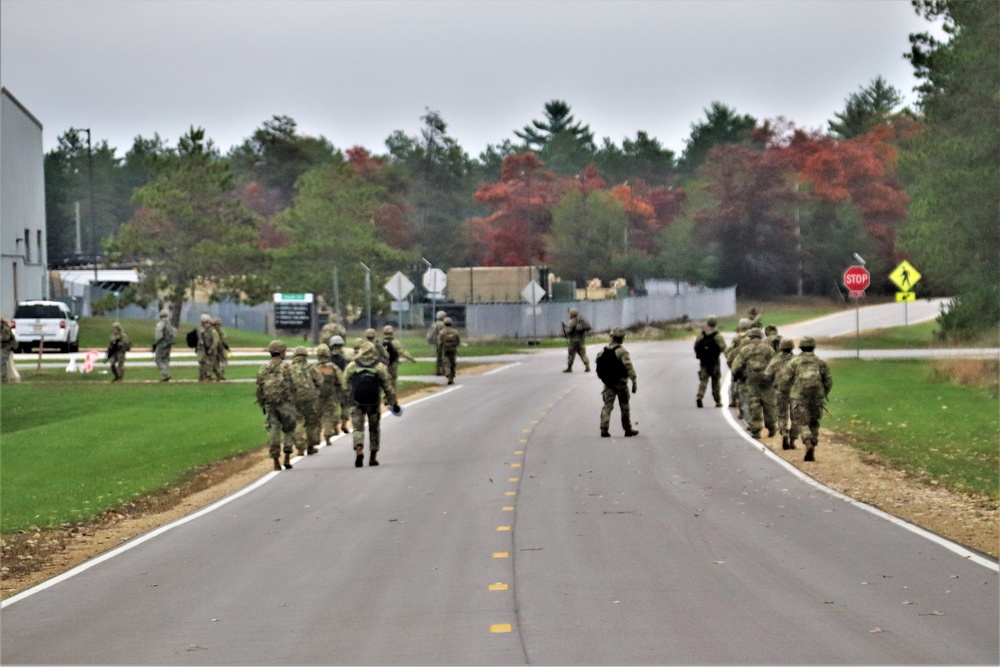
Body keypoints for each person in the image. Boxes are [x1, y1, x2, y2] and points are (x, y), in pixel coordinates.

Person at [344, 341, 399, 467]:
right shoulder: (379, 367)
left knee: (358, 427)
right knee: (374, 428)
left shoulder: (353, 366)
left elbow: (344, 383)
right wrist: (393, 402)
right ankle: (373, 456)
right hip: (373, 402)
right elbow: (388, 387)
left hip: (356, 401)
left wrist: (347, 398)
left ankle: (359, 449)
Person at [781, 336, 833, 462]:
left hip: (799, 396)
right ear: (813, 347)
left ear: (801, 348)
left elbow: (785, 379)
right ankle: (813, 445)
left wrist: (786, 392)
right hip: (817, 397)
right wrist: (823, 393)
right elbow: (828, 380)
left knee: (802, 422)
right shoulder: (820, 362)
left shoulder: (795, 362)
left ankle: (807, 441)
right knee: (814, 422)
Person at [256, 340, 296, 470]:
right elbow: (294, 385)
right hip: (285, 404)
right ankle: (287, 457)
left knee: (273, 429)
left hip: (269, 404)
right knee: (289, 429)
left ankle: (275, 460)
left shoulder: (263, 368)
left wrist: (263, 403)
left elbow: (259, 387)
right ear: (281, 352)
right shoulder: (287, 367)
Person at [731, 327, 777, 439]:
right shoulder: (768, 349)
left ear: (750, 337)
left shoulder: (746, 349)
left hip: (752, 381)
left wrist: (737, 375)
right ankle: (771, 428)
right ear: (761, 337)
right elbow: (775, 363)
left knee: (754, 404)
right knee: (769, 404)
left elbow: (735, 366)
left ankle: (756, 430)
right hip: (766, 381)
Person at [596, 327, 639, 437]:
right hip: (621, 384)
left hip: (608, 384)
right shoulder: (622, 352)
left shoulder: (603, 352)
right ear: (622, 338)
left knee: (607, 407)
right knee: (624, 406)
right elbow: (629, 367)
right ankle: (627, 429)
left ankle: (604, 429)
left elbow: (598, 364)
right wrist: (634, 381)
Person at [288, 346, 324, 456]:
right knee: (312, 421)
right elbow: (320, 381)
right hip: (310, 398)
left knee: (299, 421)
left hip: (295, 399)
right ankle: (311, 446)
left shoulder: (290, 368)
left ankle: (300, 447)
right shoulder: (310, 367)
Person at [764, 338, 796, 449]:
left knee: (782, 414)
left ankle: (783, 431)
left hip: (780, 391)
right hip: (794, 392)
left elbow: (767, 374)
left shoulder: (775, 360)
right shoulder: (796, 360)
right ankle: (793, 439)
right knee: (795, 416)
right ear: (792, 347)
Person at [313, 343, 346, 444]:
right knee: (328, 415)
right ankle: (327, 435)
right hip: (330, 396)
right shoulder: (333, 368)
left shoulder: (314, 368)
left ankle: (316, 437)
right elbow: (341, 381)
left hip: (317, 396)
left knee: (316, 417)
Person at [694, 316, 726, 408]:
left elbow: (696, 346)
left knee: (703, 380)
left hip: (704, 362)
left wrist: (700, 356)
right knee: (715, 381)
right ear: (715, 324)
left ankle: (700, 396)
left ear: (707, 323)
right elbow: (724, 348)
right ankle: (718, 401)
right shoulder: (717, 335)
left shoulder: (702, 335)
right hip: (715, 362)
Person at [328, 335, 352, 434]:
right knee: (345, 405)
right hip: (343, 385)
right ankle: (344, 424)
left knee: (333, 406)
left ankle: (334, 425)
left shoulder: (328, 358)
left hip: (332, 386)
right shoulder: (345, 358)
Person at [382, 325, 416, 391]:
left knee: (385, 379)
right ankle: (392, 394)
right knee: (393, 380)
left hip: (383, 364)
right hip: (393, 364)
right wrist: (411, 358)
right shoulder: (395, 342)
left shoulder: (382, 342)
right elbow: (402, 352)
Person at [562, 307, 592, 373]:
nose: (569, 315)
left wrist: (565, 329)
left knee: (571, 354)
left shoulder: (572, 321)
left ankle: (569, 368)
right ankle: (587, 366)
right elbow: (589, 327)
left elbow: (568, 331)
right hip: (581, 341)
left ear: (572, 314)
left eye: (570, 314)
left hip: (573, 341)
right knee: (583, 354)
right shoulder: (581, 320)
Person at [153, 309, 176, 382]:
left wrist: (156, 342)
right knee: (166, 359)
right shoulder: (170, 324)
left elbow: (159, 334)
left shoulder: (161, 324)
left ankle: (165, 373)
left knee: (158, 359)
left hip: (161, 344)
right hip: (169, 344)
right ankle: (166, 373)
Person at [438, 317, 461, 385]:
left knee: (446, 363)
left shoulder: (442, 332)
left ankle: (448, 373)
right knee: (453, 363)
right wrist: (455, 346)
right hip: (453, 350)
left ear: (444, 323)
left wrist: (440, 349)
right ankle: (452, 376)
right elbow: (458, 341)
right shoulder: (455, 331)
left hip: (445, 350)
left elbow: (440, 342)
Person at [196, 314, 218, 382]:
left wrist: (211, 349)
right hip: (202, 349)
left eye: (206, 323)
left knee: (210, 363)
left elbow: (215, 341)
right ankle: (202, 375)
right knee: (202, 362)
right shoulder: (200, 330)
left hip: (211, 349)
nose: (205, 324)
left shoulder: (213, 331)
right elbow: (200, 339)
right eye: (203, 323)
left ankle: (209, 376)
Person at [427, 310, 447, 376]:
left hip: (436, 342)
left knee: (439, 356)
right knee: (443, 356)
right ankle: (443, 370)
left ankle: (438, 370)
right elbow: (443, 333)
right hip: (441, 342)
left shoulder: (434, 323)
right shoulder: (442, 324)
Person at [212, 317, 230, 381]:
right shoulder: (219, 332)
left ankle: (218, 374)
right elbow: (223, 340)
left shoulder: (211, 331)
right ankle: (220, 374)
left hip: (214, 349)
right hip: (219, 348)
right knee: (223, 361)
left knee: (216, 362)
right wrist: (227, 347)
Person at [1, 317, 15, 384]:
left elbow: (6, 338)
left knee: (2, 360)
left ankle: (4, 379)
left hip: (7, 347)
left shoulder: (6, 329)